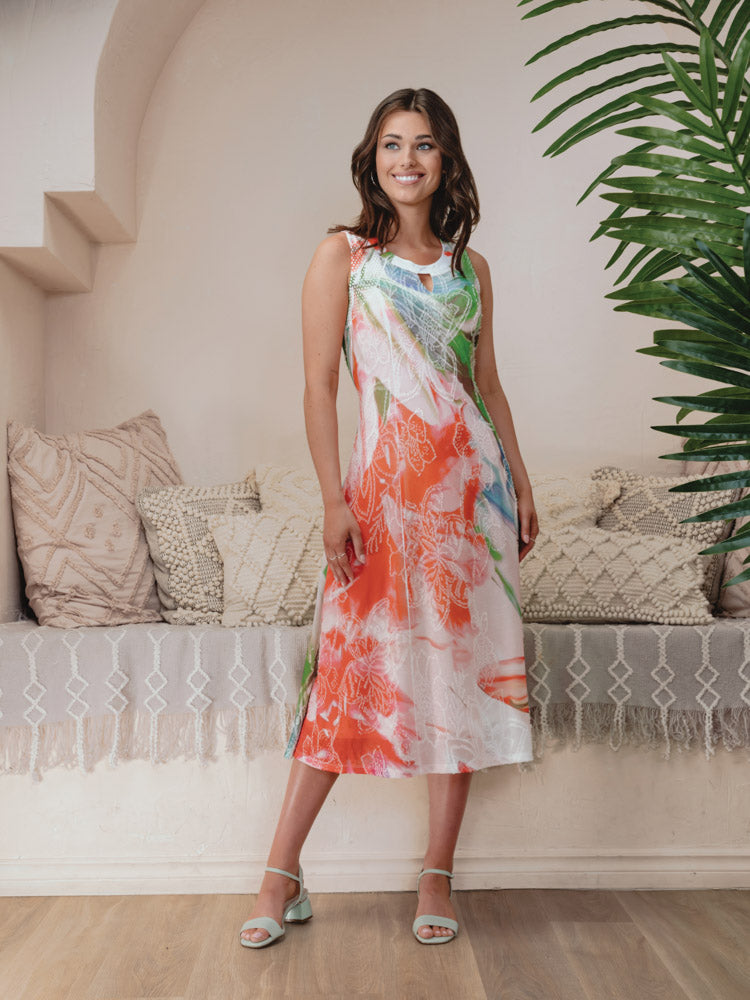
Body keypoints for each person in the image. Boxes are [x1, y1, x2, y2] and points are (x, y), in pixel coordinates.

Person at [239, 86, 539, 949]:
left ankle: (436, 873)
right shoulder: (343, 257)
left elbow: (487, 385)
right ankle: (279, 876)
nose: (406, 160)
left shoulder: (469, 269)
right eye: (391, 144)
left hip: (470, 510)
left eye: (424, 145)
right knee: (343, 684)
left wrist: (517, 481)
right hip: (378, 507)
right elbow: (319, 386)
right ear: (373, 159)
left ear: (446, 161)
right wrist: (334, 498)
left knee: (460, 687)